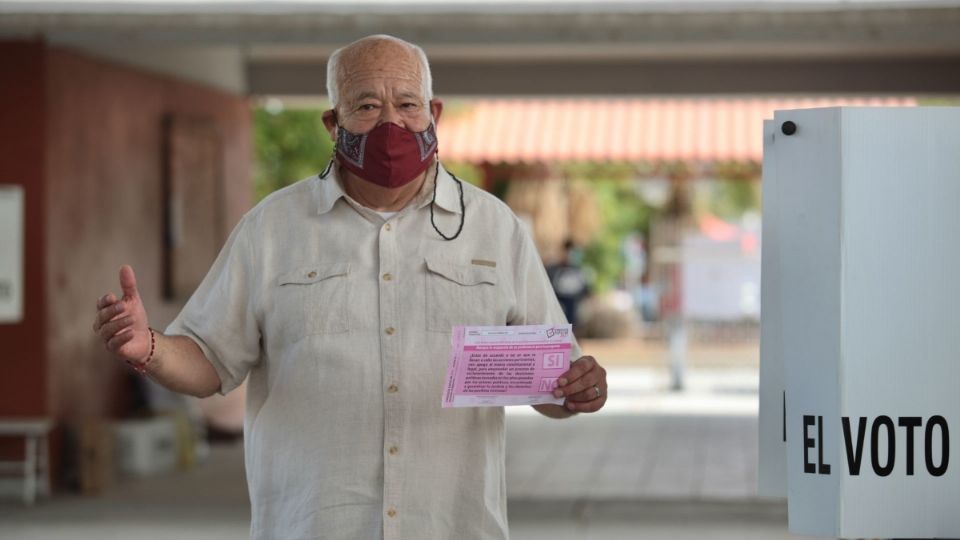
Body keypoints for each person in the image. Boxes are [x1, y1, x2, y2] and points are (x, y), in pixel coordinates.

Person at [92, 34, 607, 540]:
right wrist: (150, 347)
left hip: (454, 526)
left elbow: (553, 379)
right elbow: (208, 359)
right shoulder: (272, 228)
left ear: (435, 115)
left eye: (408, 104)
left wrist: (578, 389)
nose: (391, 123)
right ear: (332, 123)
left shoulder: (495, 228)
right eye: (366, 105)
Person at [546, 238, 591, 327]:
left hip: (574, 316)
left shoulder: (579, 272)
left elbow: (587, 292)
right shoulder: (553, 271)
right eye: (567, 252)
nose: (569, 255)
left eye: (572, 252)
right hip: (557, 317)